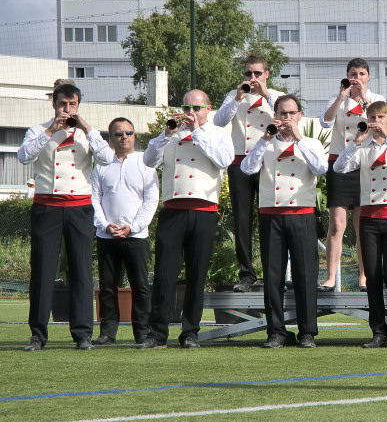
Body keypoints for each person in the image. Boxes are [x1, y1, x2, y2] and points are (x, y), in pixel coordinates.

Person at [18, 82, 114, 351]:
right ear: (54, 105)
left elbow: (107, 158)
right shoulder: (38, 130)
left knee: (81, 270)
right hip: (46, 206)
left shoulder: (87, 134)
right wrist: (51, 130)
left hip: (79, 208)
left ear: (78, 106)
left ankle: (82, 334)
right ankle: (38, 334)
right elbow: (24, 157)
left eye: (72, 105)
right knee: (43, 270)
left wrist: (87, 127)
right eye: (62, 104)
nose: (67, 109)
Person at [142, 90, 234, 348]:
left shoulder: (218, 134)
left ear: (208, 108)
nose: (190, 113)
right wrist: (165, 134)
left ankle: (190, 332)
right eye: (186, 108)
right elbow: (149, 161)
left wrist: (198, 133)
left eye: (196, 108)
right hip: (172, 209)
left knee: (197, 275)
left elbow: (223, 160)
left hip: (204, 211)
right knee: (164, 274)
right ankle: (157, 334)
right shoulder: (172, 134)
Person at [241, 95, 328, 349]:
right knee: (272, 276)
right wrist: (264, 139)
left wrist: (299, 138)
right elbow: (247, 169)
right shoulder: (264, 142)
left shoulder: (310, 142)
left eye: (291, 113)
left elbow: (321, 168)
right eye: (282, 113)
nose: (286, 118)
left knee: (305, 275)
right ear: (274, 116)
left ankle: (307, 332)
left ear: (299, 115)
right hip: (271, 214)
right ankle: (276, 331)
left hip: (302, 214)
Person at [334, 101, 387, 348]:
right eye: (372, 117)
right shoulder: (362, 145)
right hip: (368, 217)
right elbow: (339, 168)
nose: (376, 121)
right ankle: (378, 331)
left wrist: (386, 138)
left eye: (380, 117)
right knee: (372, 275)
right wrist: (356, 141)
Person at [212, 55, 284, 293]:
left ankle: (272, 272)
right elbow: (219, 121)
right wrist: (237, 98)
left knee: (269, 218)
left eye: (257, 73)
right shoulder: (234, 95)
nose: (252, 78)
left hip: (268, 162)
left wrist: (266, 94)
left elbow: (285, 117)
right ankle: (246, 274)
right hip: (239, 162)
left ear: (266, 74)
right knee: (243, 220)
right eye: (248, 74)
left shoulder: (276, 95)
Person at [319, 58, 385, 292]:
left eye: (361, 74)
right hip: (339, 162)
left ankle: (364, 277)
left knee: (362, 225)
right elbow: (325, 122)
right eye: (353, 74)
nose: (357, 78)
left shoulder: (377, 100)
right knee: (337, 225)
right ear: (346, 76)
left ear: (368, 77)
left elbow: (380, 126)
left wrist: (365, 98)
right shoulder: (339, 99)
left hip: (365, 164)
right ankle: (330, 277)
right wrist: (341, 96)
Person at [91, 117, 159, 346]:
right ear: (110, 138)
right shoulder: (101, 164)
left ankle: (142, 333)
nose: (124, 137)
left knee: (140, 286)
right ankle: (108, 333)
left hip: (136, 236)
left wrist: (133, 227)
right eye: (118, 134)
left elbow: (151, 200)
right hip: (107, 235)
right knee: (107, 287)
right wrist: (104, 225)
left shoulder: (145, 163)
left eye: (128, 133)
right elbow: (94, 199)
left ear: (134, 136)